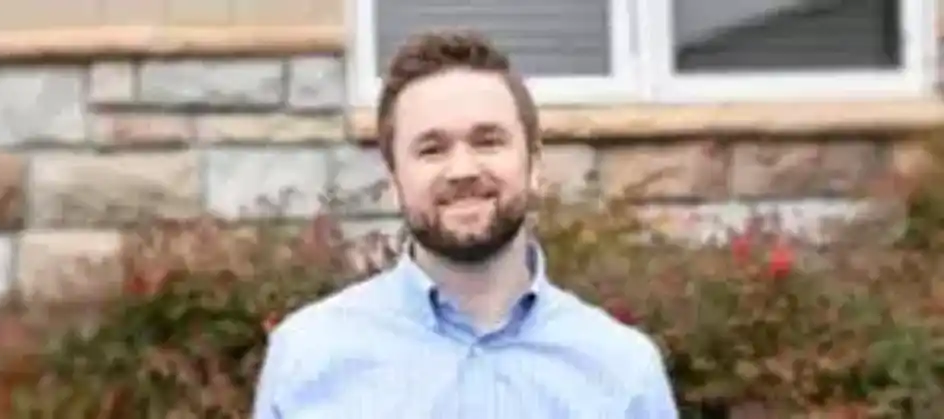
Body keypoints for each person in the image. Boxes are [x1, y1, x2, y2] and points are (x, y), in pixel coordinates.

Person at [252, 30, 679, 419]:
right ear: (393, 178)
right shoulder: (306, 357)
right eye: (431, 149)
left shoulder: (623, 372)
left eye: (488, 141)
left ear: (533, 162)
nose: (462, 170)